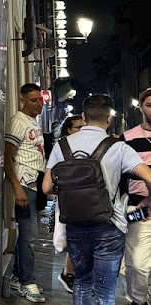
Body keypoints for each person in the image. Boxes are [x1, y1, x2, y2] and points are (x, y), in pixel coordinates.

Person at [43, 94, 151, 305]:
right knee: (104, 293)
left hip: (75, 225)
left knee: (81, 284)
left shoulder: (63, 145)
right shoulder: (118, 147)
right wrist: (145, 203)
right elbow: (148, 176)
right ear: (109, 118)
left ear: (84, 115)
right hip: (108, 226)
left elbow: (46, 188)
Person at [4, 83, 47, 302]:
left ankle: (18, 275)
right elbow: (6, 157)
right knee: (30, 237)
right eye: (33, 100)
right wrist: (17, 188)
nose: (38, 104)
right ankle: (27, 282)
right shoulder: (18, 122)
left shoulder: (33, 121)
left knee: (27, 235)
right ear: (22, 100)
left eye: (40, 99)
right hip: (25, 185)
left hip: (35, 184)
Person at [120, 86, 151, 305]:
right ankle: (138, 301)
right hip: (139, 209)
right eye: (149, 105)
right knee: (136, 263)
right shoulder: (128, 138)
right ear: (141, 107)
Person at [52, 114, 85, 294]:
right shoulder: (62, 147)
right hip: (68, 198)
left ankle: (72, 274)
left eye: (84, 127)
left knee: (79, 237)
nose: (82, 131)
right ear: (68, 130)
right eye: (78, 127)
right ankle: (69, 274)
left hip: (84, 198)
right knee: (72, 236)